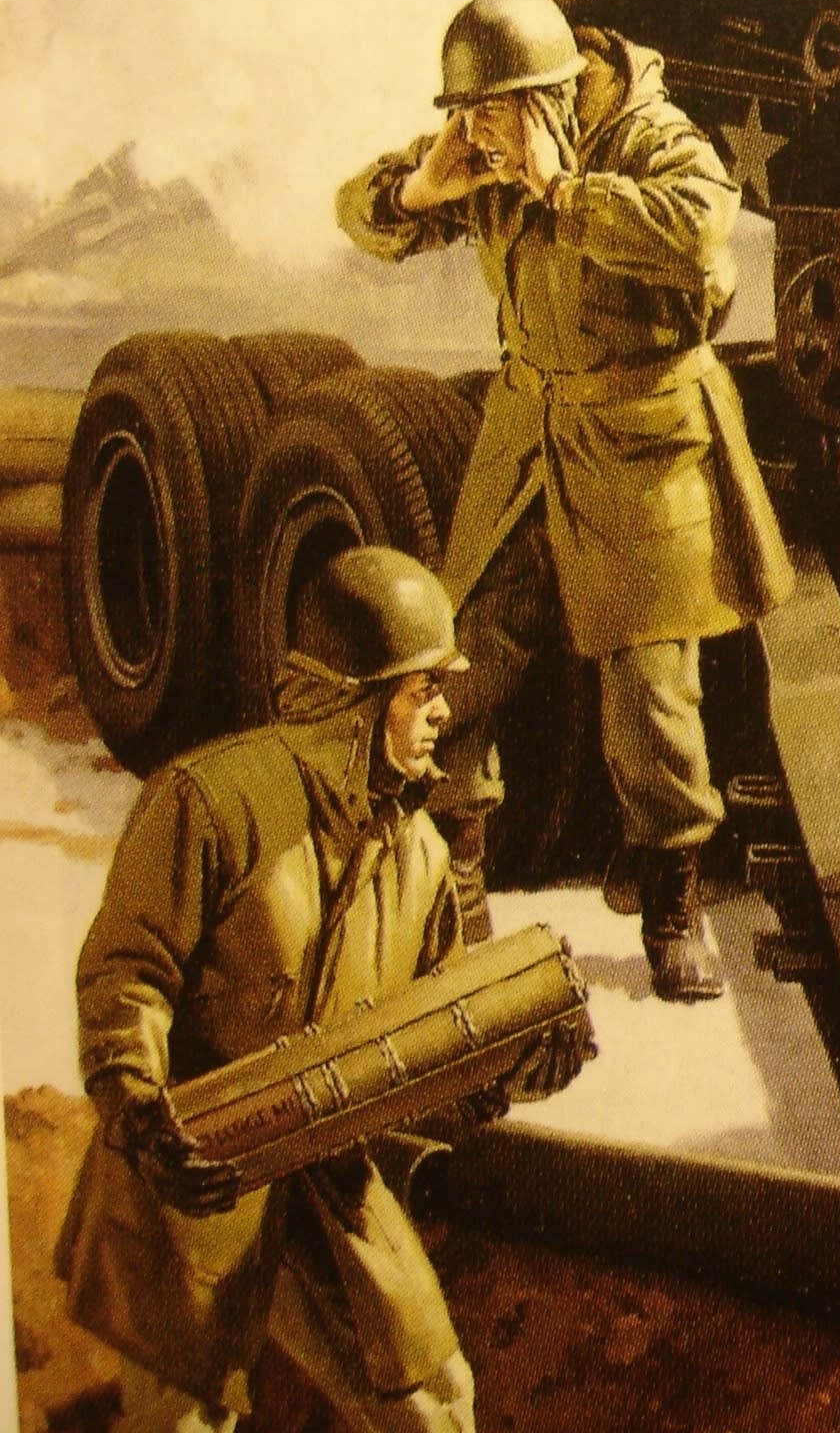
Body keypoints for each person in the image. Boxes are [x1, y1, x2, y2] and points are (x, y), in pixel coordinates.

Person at [56, 547, 584, 1433]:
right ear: (356, 698)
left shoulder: (421, 855)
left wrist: (510, 1074)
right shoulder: (210, 801)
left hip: (323, 1187)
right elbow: (127, 974)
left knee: (437, 1403)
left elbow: (425, 1050)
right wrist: (142, 1114)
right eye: (424, 690)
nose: (444, 712)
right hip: (189, 1181)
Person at [337, 0, 793, 1002]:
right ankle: (459, 894)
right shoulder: (481, 146)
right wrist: (419, 190)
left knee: (650, 691)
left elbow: (699, 230)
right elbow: (359, 214)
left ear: (544, 100)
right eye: (465, 115)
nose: (475, 135)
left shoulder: (651, 138)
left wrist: (565, 190)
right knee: (456, 654)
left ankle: (672, 899)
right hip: (528, 434)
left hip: (643, 438)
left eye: (489, 116)